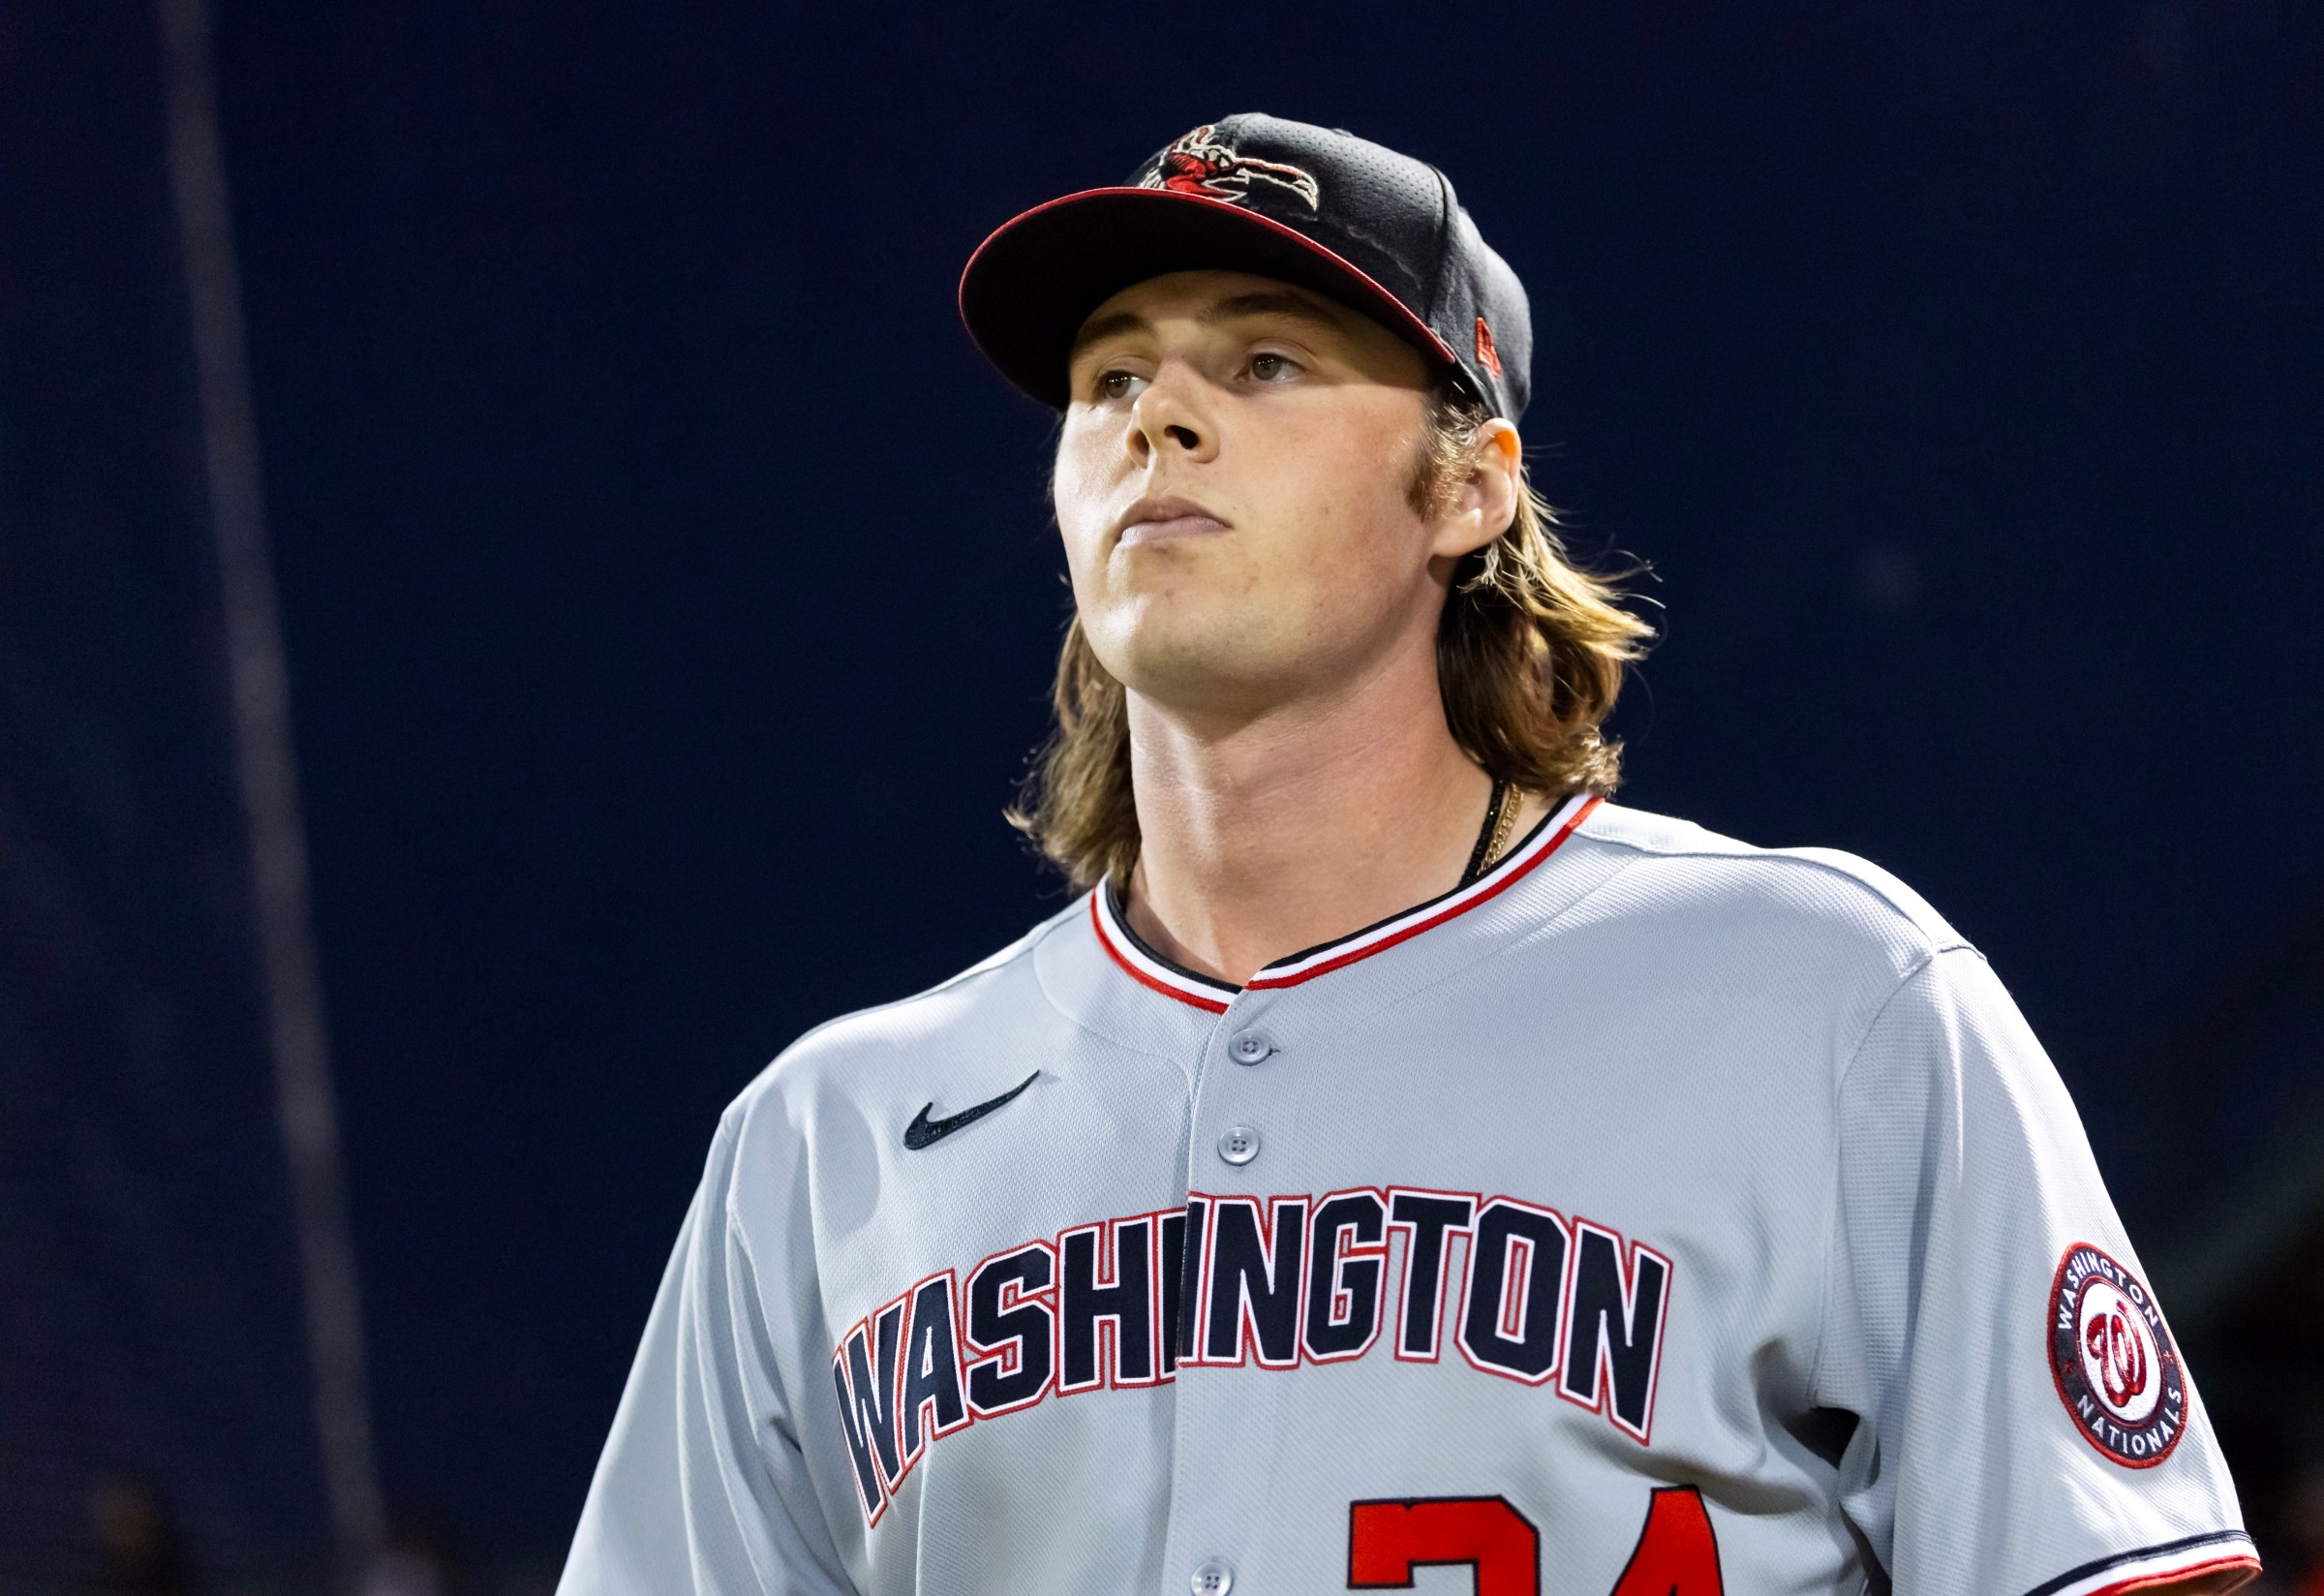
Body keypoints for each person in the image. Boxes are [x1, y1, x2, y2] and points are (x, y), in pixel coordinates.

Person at [557, 113, 2257, 1596]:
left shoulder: (1830, 1008)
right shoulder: (830, 1139)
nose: (1162, 418)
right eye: (1110, 377)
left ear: (1470, 489)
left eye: (1267, 362)